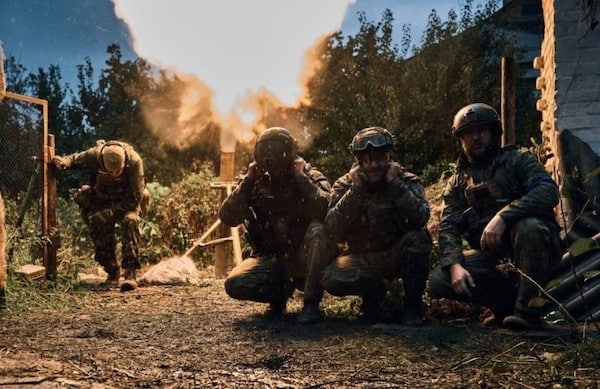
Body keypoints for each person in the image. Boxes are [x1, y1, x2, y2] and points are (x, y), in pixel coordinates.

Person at [429, 103, 563, 330]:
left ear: (493, 132)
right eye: (469, 133)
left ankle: (528, 313)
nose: (476, 137)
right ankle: (506, 309)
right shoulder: (457, 183)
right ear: (461, 140)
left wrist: (505, 216)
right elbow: (449, 227)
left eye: (481, 130)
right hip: (495, 259)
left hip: (538, 252)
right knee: (439, 279)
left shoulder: (518, 160)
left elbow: (548, 191)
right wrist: (454, 265)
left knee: (528, 227)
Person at [219, 127, 335, 324]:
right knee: (236, 284)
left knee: (318, 231)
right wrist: (247, 182)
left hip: (304, 257)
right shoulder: (255, 180)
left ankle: (311, 303)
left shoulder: (308, 174)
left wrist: (301, 179)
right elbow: (228, 217)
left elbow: (328, 211)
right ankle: (278, 296)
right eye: (265, 151)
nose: (270, 157)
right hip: (273, 259)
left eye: (277, 150)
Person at [321, 127, 432, 325]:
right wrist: (356, 191)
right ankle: (373, 296)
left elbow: (420, 217)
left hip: (396, 254)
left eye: (380, 157)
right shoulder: (345, 185)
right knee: (333, 278)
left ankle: (412, 306)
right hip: (363, 257)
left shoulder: (406, 181)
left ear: (390, 157)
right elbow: (333, 228)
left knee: (418, 238)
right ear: (358, 161)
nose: (374, 164)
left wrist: (394, 184)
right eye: (367, 159)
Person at [52, 140, 151, 287]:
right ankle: (112, 271)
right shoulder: (94, 155)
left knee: (131, 220)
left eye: (117, 171)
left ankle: (130, 275)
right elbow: (74, 159)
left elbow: (135, 199)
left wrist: (110, 212)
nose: (113, 174)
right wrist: (64, 161)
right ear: (102, 162)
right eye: (109, 171)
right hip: (103, 199)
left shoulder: (135, 161)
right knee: (97, 224)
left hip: (127, 202)